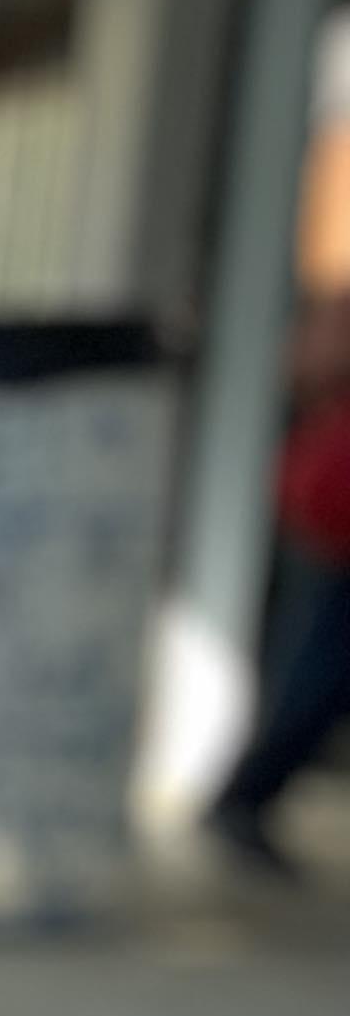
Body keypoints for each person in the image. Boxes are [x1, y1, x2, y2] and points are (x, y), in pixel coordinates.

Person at [216, 291, 350, 878]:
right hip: (333, 531)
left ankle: (245, 800)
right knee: (316, 676)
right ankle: (243, 801)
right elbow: (308, 369)